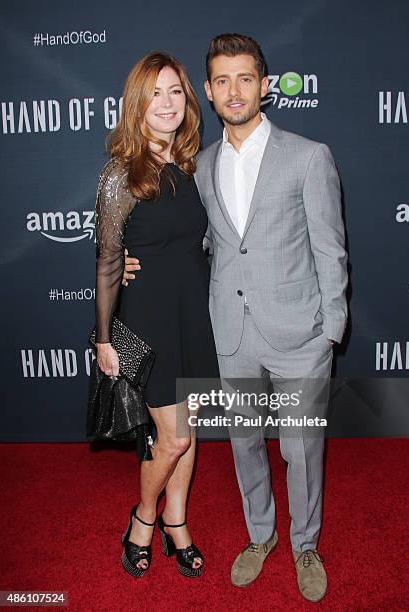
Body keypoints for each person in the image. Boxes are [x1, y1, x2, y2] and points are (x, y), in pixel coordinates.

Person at [124, 33, 348, 602]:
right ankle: (260, 536)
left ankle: (305, 544)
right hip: (230, 333)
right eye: (221, 80)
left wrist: (331, 329)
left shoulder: (308, 155)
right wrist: (128, 261)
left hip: (301, 334)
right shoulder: (196, 167)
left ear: (264, 86)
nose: (234, 90)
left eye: (245, 78)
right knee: (245, 441)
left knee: (301, 449)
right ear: (209, 91)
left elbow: (331, 249)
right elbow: (179, 239)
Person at [94, 51, 219, 579]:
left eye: (175, 92)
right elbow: (106, 260)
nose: (166, 103)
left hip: (194, 312)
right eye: (155, 94)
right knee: (176, 438)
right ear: (137, 105)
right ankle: (142, 520)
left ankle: (177, 521)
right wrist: (103, 338)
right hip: (149, 319)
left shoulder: (191, 166)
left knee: (185, 428)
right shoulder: (121, 174)